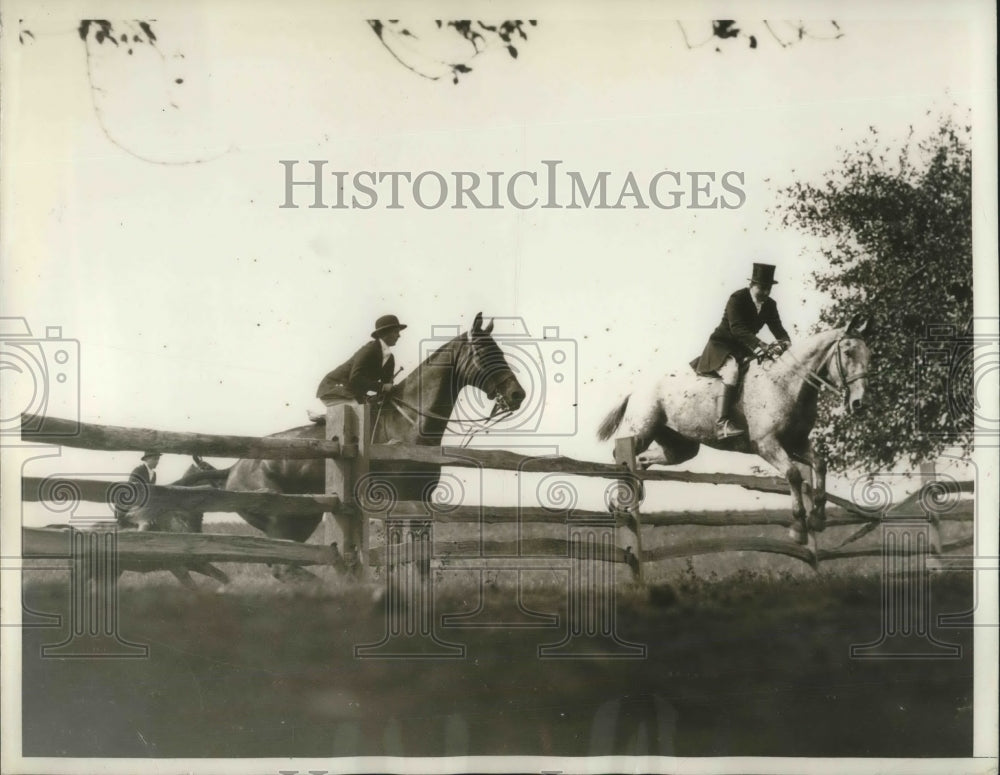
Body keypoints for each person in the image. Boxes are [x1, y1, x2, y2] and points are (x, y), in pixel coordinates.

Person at [693, 263, 791, 439]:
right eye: (762, 288)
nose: (766, 292)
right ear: (752, 285)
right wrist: (761, 345)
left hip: (743, 348)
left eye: (768, 288)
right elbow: (737, 328)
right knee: (731, 373)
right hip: (722, 346)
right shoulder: (737, 298)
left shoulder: (770, 305)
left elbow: (778, 329)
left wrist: (785, 342)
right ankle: (721, 424)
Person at [316, 314, 406, 406]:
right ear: (384, 333)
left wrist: (388, 389)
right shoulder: (369, 350)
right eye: (396, 332)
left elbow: (387, 384)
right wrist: (382, 387)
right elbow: (355, 379)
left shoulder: (390, 358)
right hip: (333, 390)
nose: (399, 336)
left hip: (351, 393)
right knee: (362, 410)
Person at [115, 451, 160, 525]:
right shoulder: (138, 471)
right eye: (155, 459)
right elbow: (132, 490)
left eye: (158, 459)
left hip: (144, 503)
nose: (157, 461)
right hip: (131, 504)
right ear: (147, 459)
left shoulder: (154, 474)